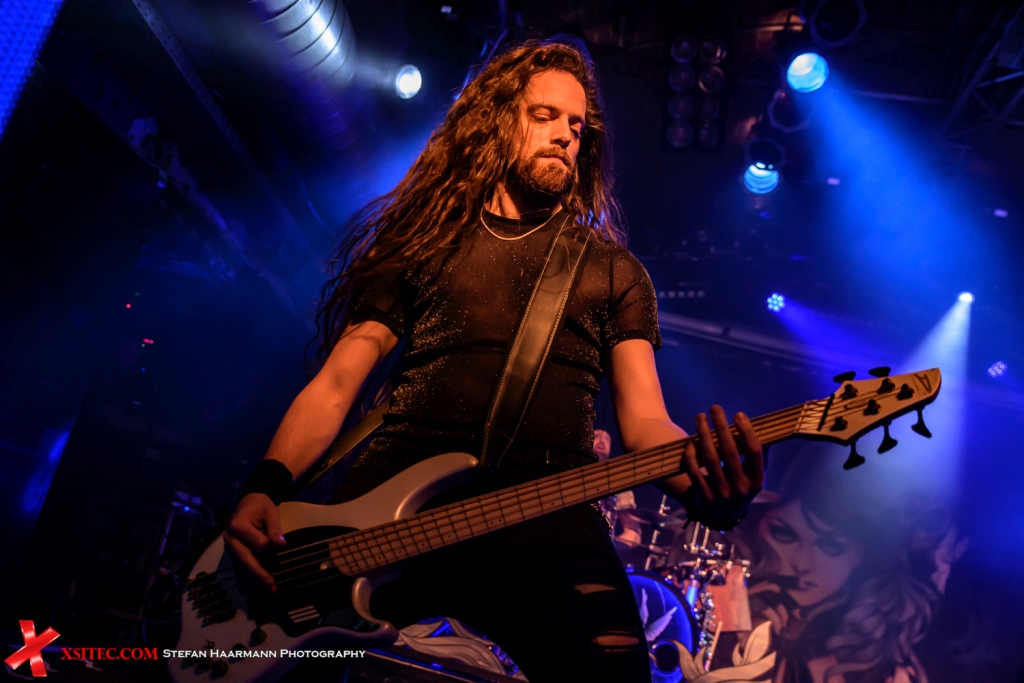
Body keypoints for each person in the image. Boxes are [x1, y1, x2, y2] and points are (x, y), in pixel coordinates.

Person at [224, 41, 764, 682]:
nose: (565, 136)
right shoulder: (424, 242)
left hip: (544, 513)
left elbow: (646, 424)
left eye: (577, 126)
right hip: (389, 512)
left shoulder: (613, 271)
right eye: (545, 116)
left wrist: (713, 495)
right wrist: (266, 486)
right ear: (498, 121)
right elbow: (337, 383)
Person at [698, 443, 964, 683]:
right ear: (759, 523)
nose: (802, 563)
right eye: (783, 533)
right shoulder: (717, 580)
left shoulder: (874, 656)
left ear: (860, 555)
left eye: (831, 546)